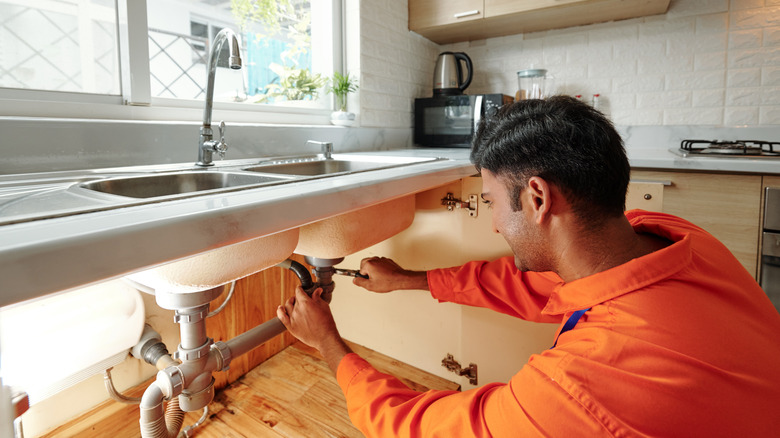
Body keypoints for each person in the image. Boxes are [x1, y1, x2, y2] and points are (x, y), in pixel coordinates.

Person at [277, 96, 780, 437]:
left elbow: (409, 424)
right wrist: (408, 281)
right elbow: (530, 286)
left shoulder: (582, 389)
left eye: (493, 200)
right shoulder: (672, 236)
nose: (494, 224)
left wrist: (326, 339)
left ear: (537, 197)